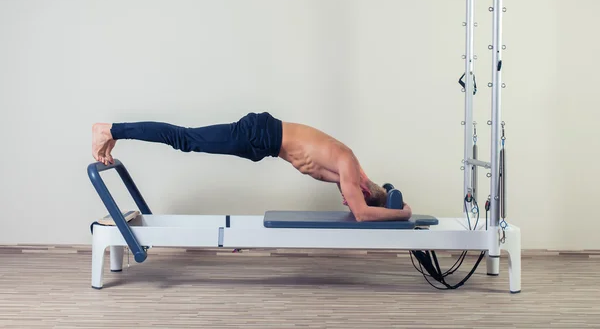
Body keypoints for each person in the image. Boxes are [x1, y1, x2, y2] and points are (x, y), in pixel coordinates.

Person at [91, 112, 412, 222]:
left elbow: (370, 193)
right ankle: (111, 129)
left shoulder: (351, 169)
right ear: (364, 190)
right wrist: (403, 213)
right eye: (354, 193)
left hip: (262, 141)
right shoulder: (348, 168)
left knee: (185, 139)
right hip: (259, 134)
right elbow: (362, 212)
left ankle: (113, 132)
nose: (347, 197)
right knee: (184, 139)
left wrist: (386, 194)